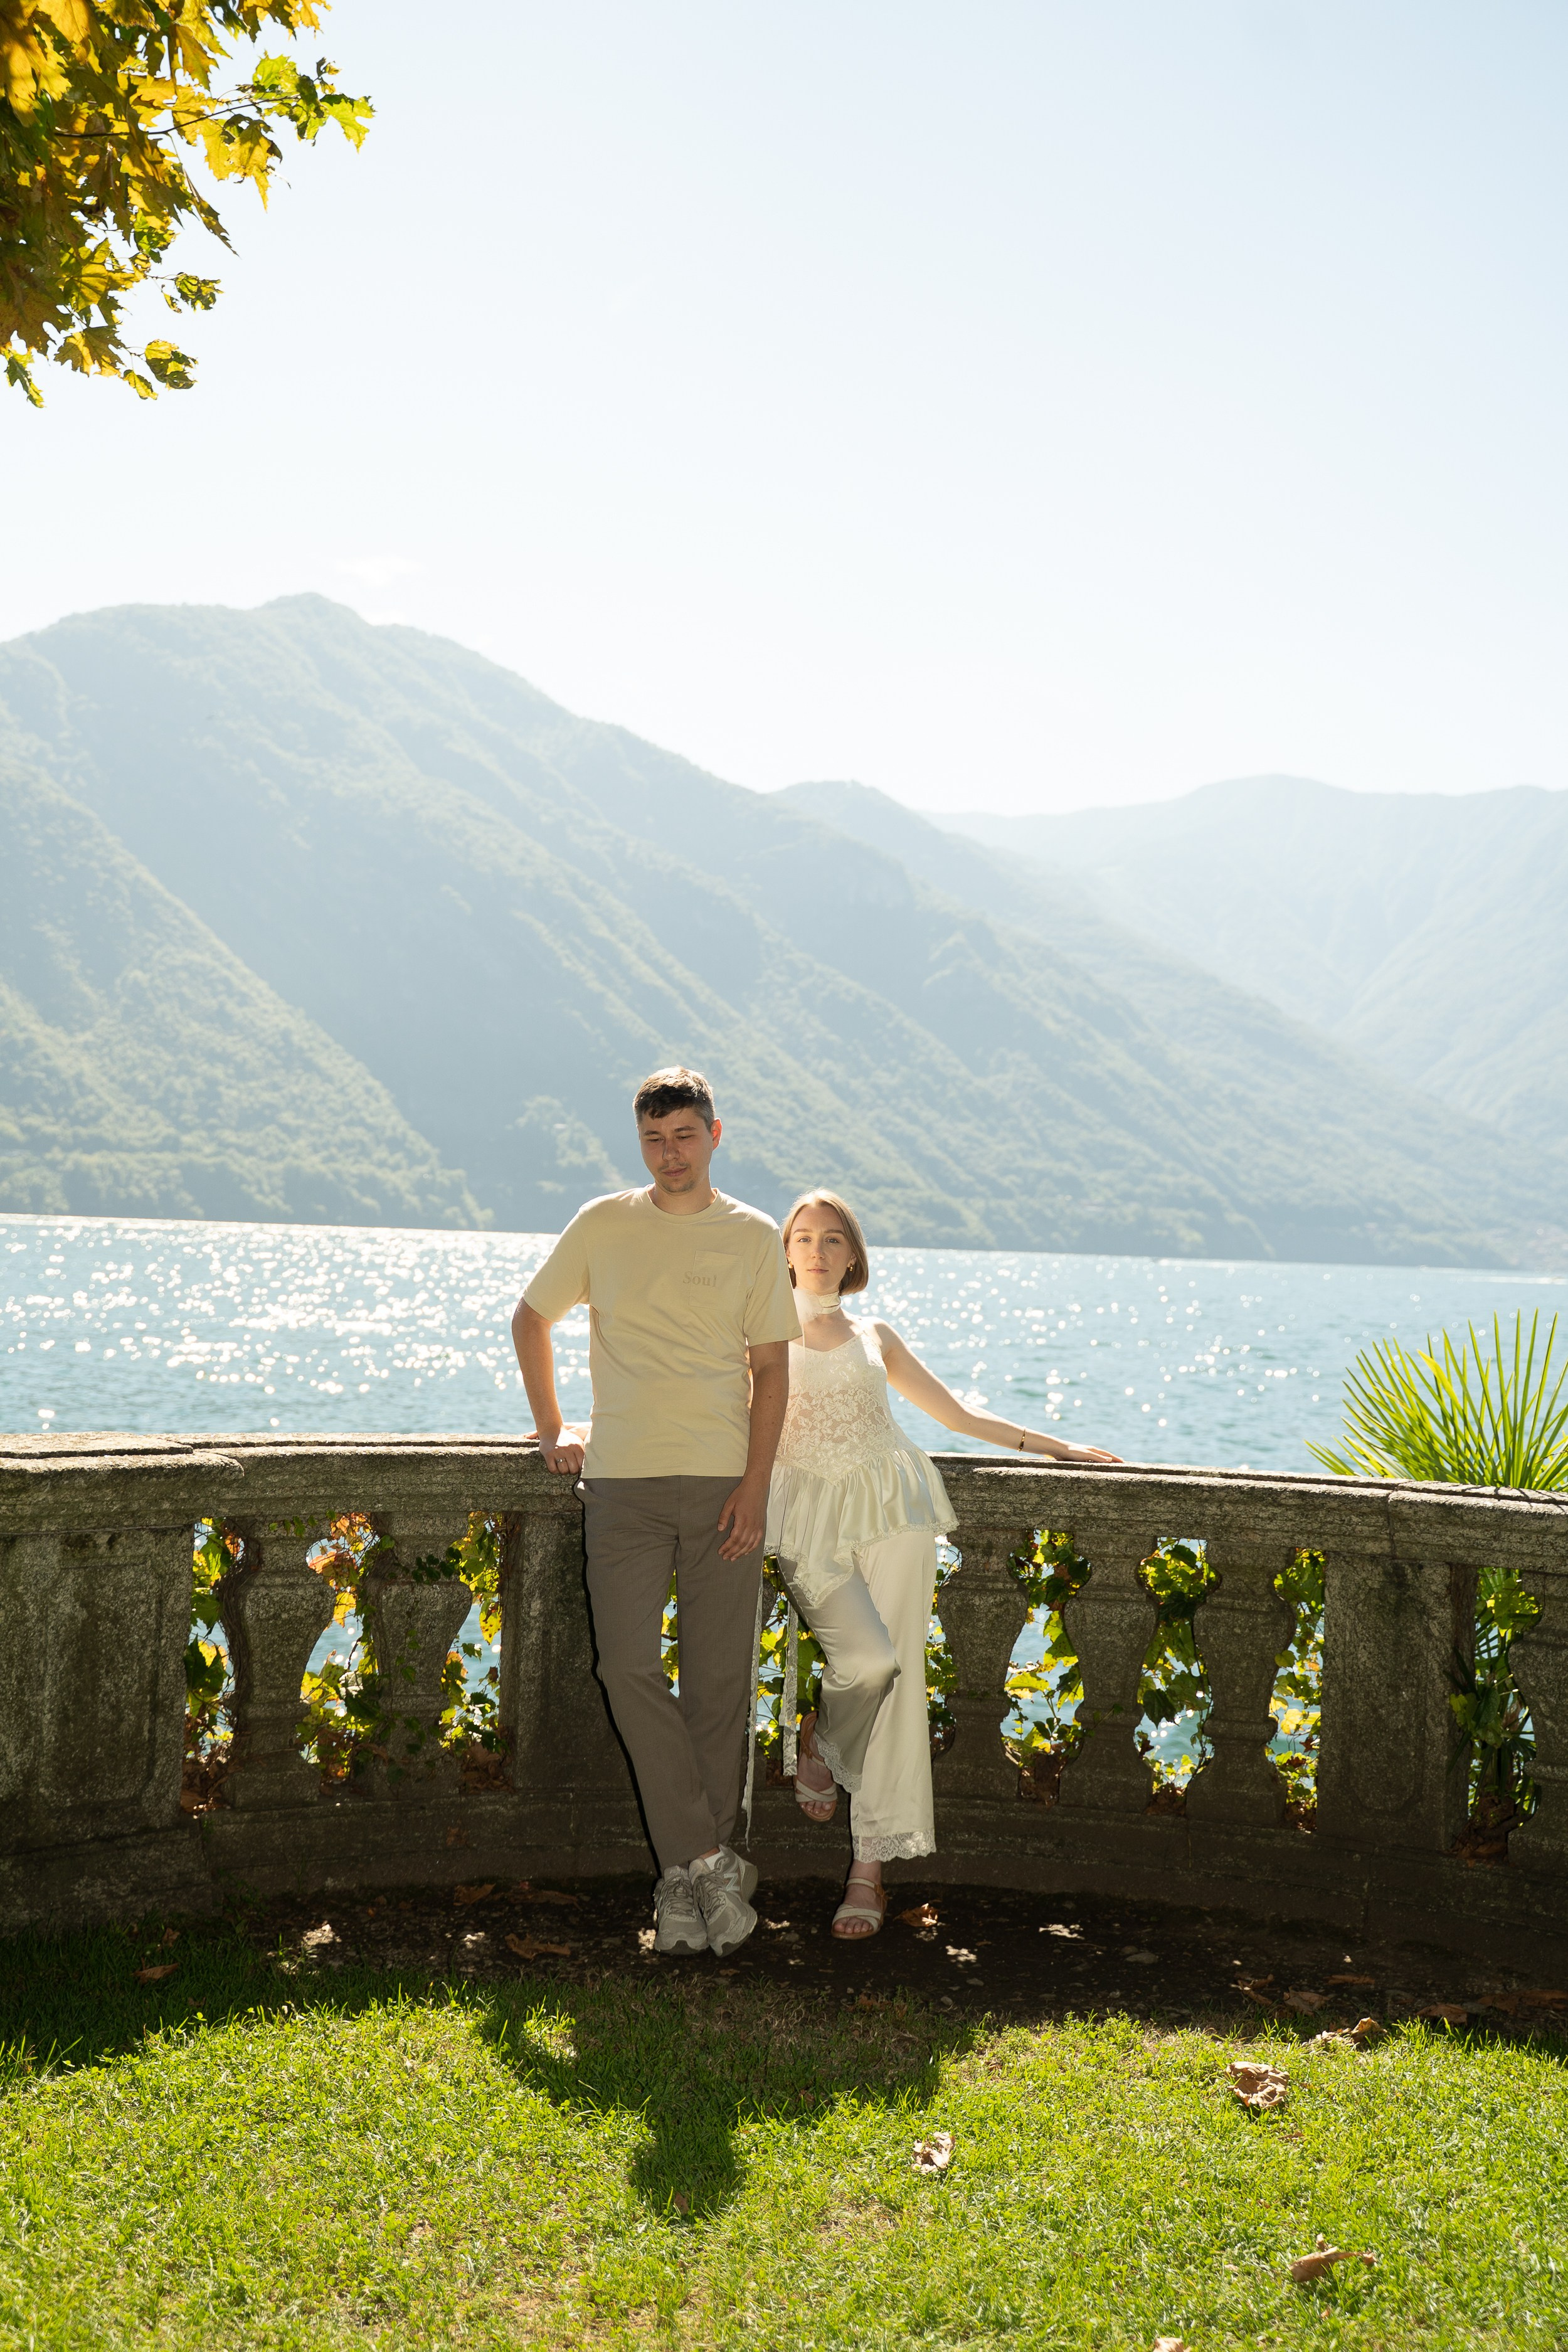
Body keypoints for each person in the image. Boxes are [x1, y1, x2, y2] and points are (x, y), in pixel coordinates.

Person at [771, 1190, 1121, 1939]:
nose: (818, 1251)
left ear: (854, 1256)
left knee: (896, 1674)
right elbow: (711, 1411)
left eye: (834, 1239)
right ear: (785, 1249)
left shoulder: (876, 1333)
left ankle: (868, 1870)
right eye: (803, 1237)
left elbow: (955, 1415)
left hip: (893, 1507)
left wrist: (1055, 1446)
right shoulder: (759, 1330)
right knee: (860, 1665)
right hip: (805, 1514)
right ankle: (821, 1740)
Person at [512, 1067, 800, 1959]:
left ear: (716, 1135)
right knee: (627, 1664)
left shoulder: (753, 1237)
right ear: (640, 1143)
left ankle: (683, 1886)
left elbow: (774, 1371)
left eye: (683, 1135)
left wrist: (755, 1485)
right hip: (625, 1482)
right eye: (653, 1139)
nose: (669, 1154)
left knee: (718, 1687)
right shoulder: (603, 1223)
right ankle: (710, 1859)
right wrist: (553, 1428)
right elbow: (531, 1318)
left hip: (723, 1485)